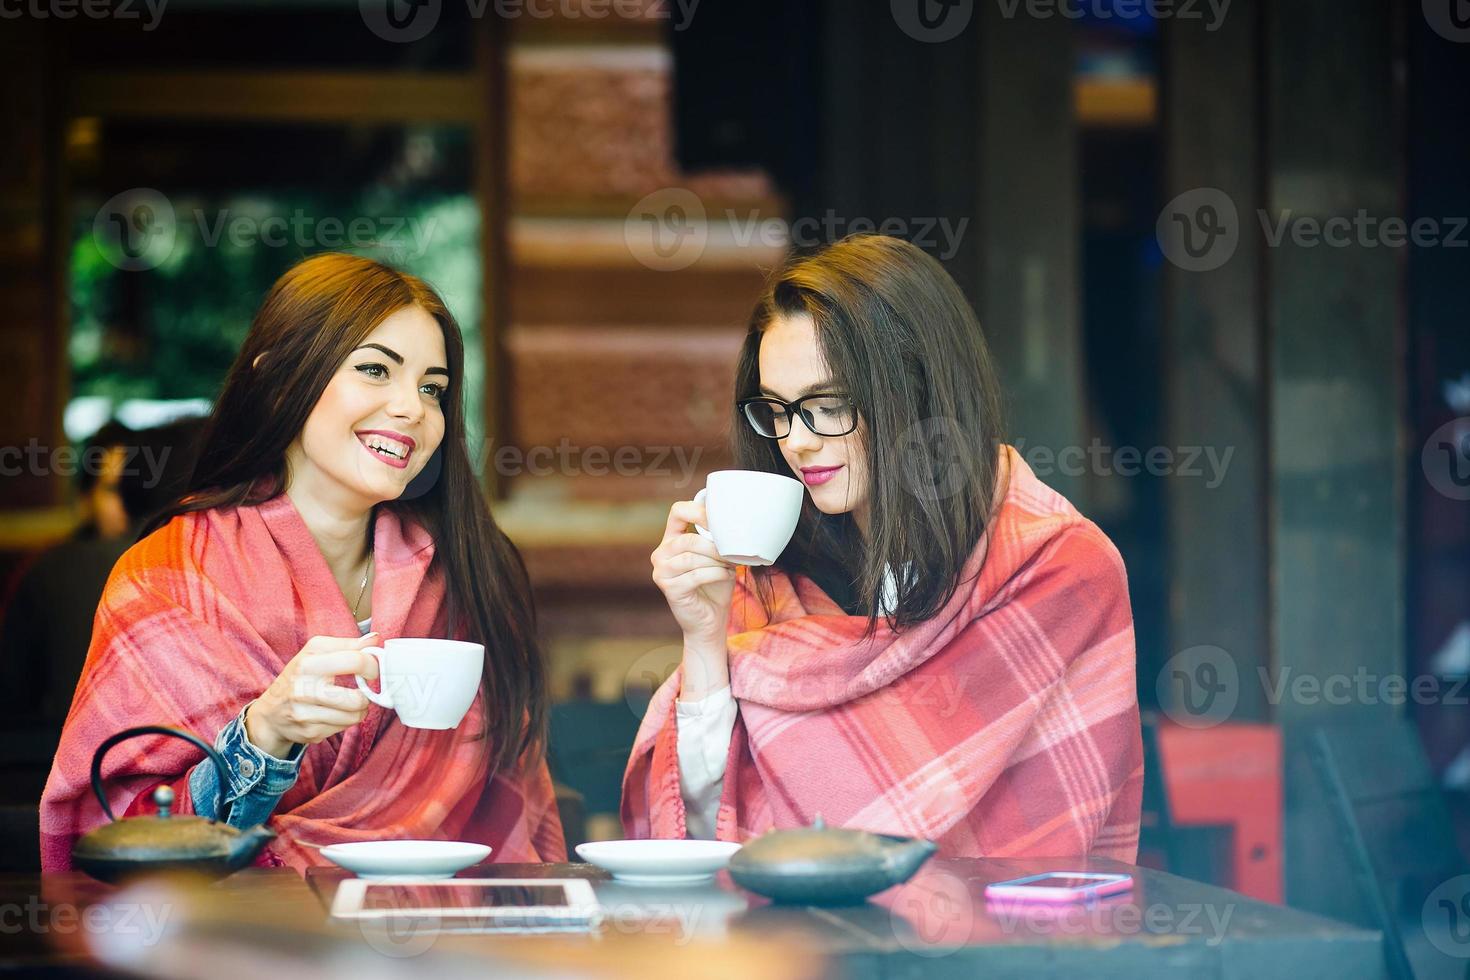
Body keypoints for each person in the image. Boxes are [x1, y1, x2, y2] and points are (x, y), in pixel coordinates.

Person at [40, 253, 563, 872]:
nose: (412, 409)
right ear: (279, 382)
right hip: (239, 950)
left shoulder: (467, 576)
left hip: (445, 939)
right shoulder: (171, 575)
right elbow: (115, 838)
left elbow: (515, 814)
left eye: (432, 389)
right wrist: (262, 733)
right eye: (375, 370)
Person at [626, 235, 1142, 859]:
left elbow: (1046, 846)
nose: (797, 442)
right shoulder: (771, 580)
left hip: (1001, 947)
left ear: (918, 393)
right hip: (789, 945)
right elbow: (701, 836)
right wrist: (705, 641)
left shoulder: (1059, 573)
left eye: (829, 404)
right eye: (778, 410)